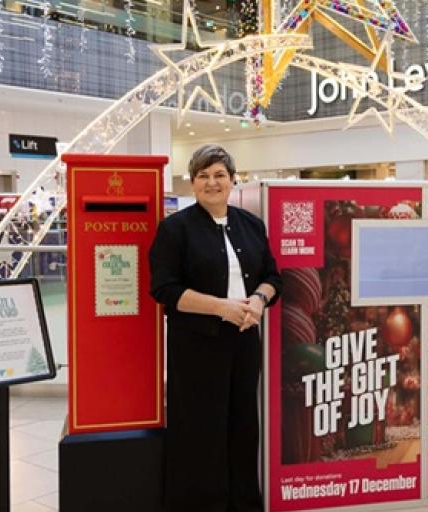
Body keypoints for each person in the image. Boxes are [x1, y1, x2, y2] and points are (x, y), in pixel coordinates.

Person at [149, 144, 281, 512]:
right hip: (196, 347)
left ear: (233, 180)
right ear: (192, 183)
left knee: (243, 426)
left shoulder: (251, 225)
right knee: (199, 430)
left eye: (219, 175)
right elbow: (165, 289)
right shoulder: (175, 229)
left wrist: (259, 300)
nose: (212, 182)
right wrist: (221, 307)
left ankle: (243, 503)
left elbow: (273, 277)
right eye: (203, 175)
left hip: (244, 342)